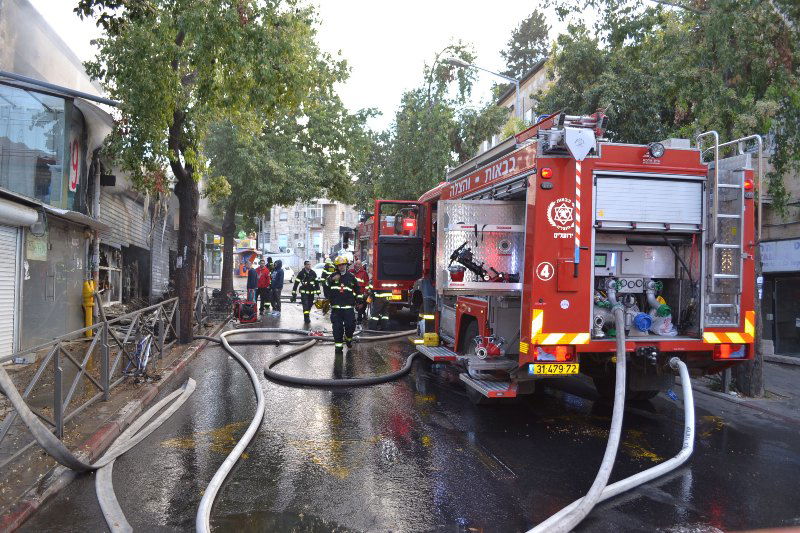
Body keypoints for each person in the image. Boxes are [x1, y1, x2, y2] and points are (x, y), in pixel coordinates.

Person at [325, 256, 360, 352]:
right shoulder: (332, 276)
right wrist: (331, 280)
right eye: (339, 265)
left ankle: (348, 339)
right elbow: (325, 286)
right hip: (336, 309)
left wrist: (359, 301)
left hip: (348, 308)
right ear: (337, 266)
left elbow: (358, 290)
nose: (341, 267)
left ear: (346, 265)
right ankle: (338, 347)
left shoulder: (351, 277)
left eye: (343, 264)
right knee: (337, 328)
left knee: (350, 326)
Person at [350, 259, 369, 323]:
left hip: (361, 292)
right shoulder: (351, 272)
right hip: (352, 292)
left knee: (360, 306)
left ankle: (359, 319)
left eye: (359, 264)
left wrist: (365, 292)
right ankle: (352, 319)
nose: (357, 265)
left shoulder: (364, 273)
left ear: (361, 265)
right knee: (351, 306)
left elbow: (367, 283)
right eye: (356, 264)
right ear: (354, 265)